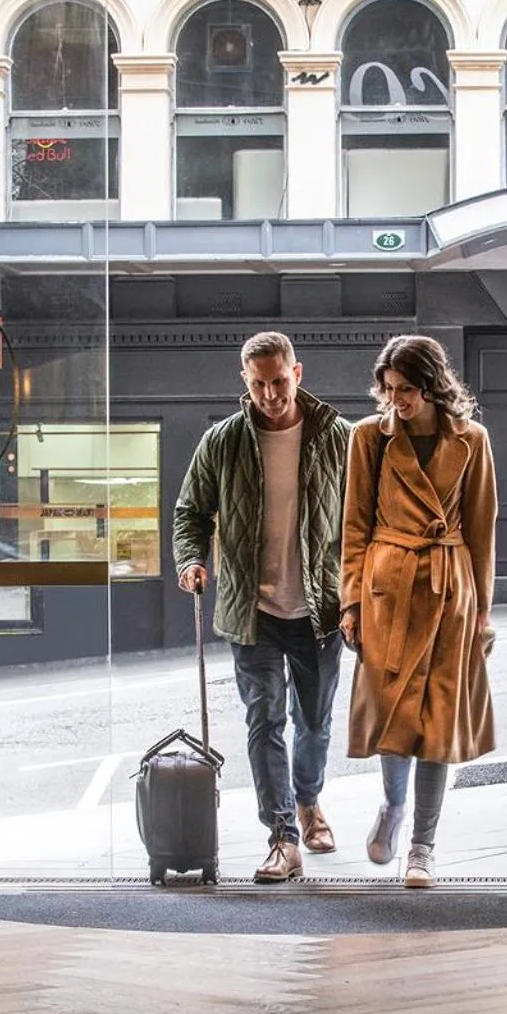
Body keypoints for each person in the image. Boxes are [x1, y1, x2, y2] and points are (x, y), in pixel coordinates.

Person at [173, 332, 351, 883]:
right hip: (252, 610)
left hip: (320, 609)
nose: (270, 394)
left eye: (278, 381)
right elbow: (190, 511)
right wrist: (190, 559)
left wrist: (359, 595)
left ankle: (309, 799)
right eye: (258, 384)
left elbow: (364, 520)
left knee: (314, 721)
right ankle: (283, 835)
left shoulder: (339, 438)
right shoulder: (222, 441)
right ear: (244, 382)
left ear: (297, 374)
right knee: (264, 719)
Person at [340, 335, 497, 889]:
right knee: (393, 710)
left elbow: (481, 530)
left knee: (439, 720)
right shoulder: (369, 437)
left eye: (405, 389)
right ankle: (393, 804)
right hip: (388, 587)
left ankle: (422, 847)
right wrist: (351, 601)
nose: (396, 400)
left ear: (431, 386)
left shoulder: (472, 440)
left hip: (450, 589)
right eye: (388, 389)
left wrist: (482, 614)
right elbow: (354, 525)